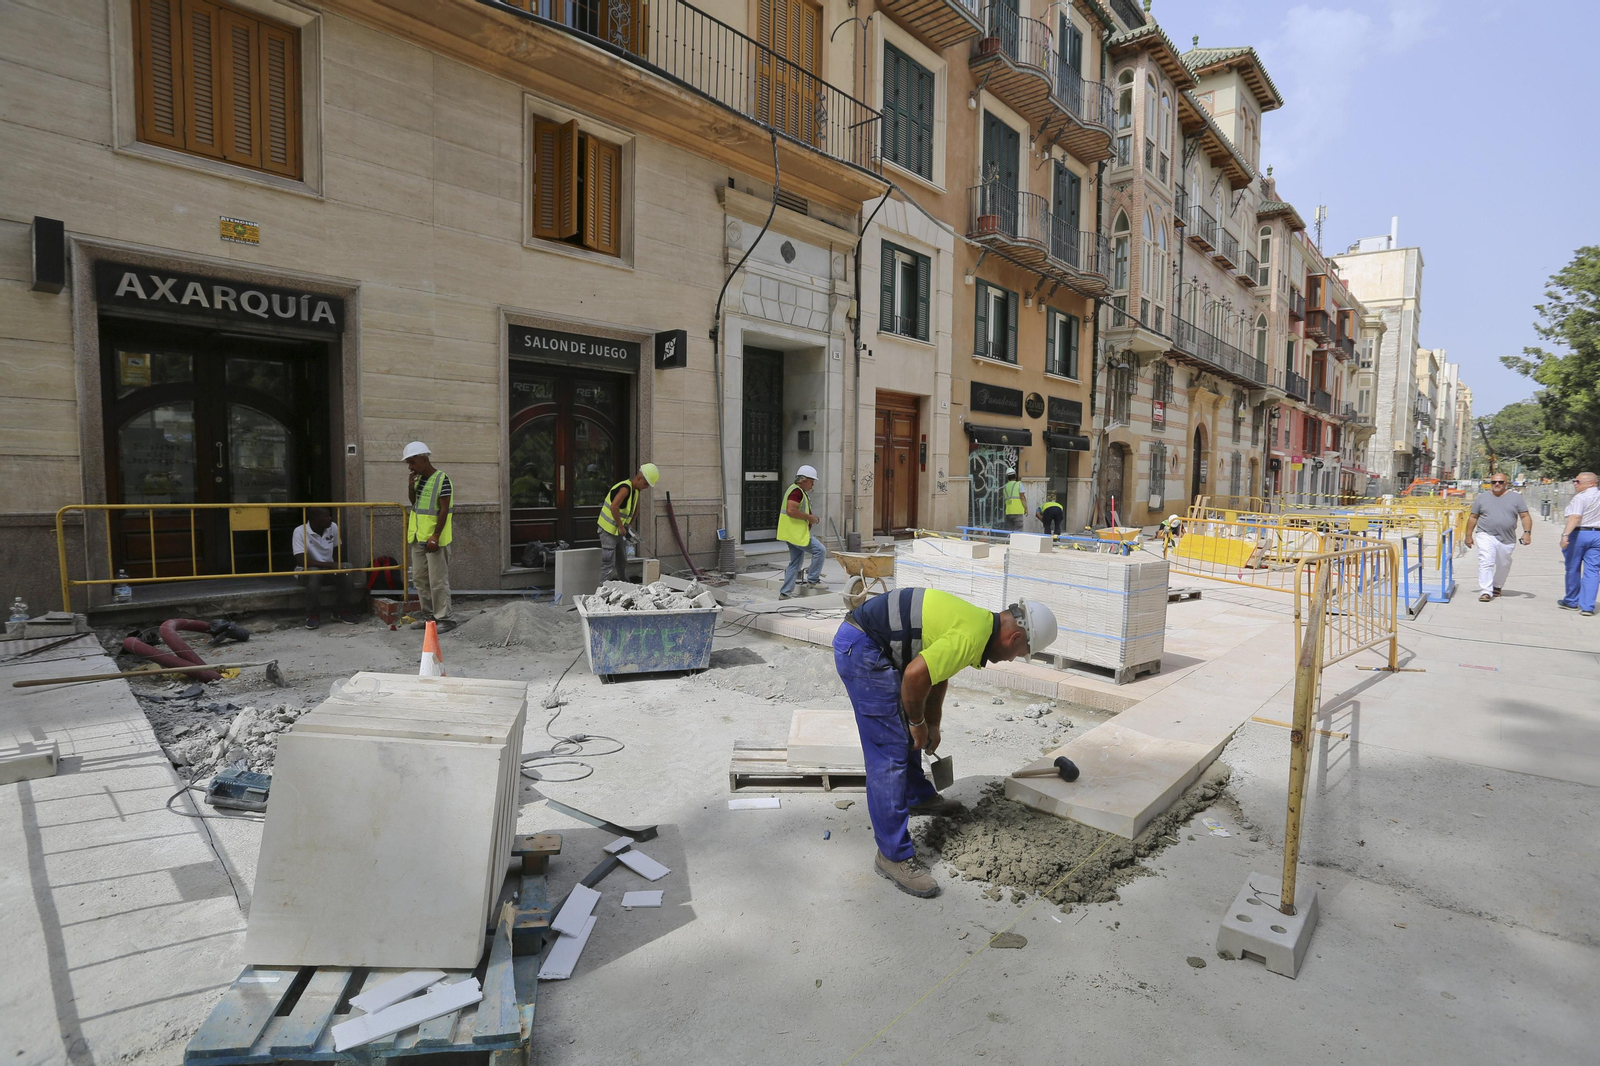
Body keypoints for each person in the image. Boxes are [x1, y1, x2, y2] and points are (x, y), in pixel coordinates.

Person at [833, 589, 1058, 898]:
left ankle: (917, 797)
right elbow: (915, 676)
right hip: (863, 648)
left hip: (875, 643)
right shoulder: (971, 636)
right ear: (1015, 637)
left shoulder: (979, 625)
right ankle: (892, 856)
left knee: (906, 731)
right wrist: (917, 723)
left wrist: (932, 722)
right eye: (1019, 654)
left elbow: (937, 671)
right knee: (889, 752)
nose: (1011, 659)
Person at [403, 441, 456, 632]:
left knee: (437, 580)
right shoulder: (419, 479)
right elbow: (415, 504)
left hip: (434, 539)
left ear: (424, 459)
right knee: (419, 579)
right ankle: (429, 618)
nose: (410, 467)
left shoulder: (442, 479)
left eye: (412, 462)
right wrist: (410, 488)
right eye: (408, 463)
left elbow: (444, 509)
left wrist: (435, 535)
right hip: (418, 537)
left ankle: (445, 619)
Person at [1464, 474, 1531, 602]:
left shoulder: (1516, 498)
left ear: (1506, 483)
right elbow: (1473, 517)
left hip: (1507, 537)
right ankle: (1486, 591)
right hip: (1485, 534)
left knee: (1503, 563)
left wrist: (1527, 532)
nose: (1497, 484)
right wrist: (1468, 536)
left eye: (1500, 482)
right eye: (1494, 482)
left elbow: (1525, 516)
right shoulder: (1482, 498)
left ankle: (1497, 586)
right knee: (1486, 561)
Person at [292, 508, 357, 630]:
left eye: (329, 515)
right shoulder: (299, 531)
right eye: (325, 516)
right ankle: (312, 614)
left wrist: (338, 566)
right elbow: (301, 561)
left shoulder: (333, 527)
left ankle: (340, 611)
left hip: (327, 570)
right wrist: (330, 565)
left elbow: (338, 552)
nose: (330, 519)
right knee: (315, 573)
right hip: (306, 571)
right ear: (314, 519)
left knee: (348, 568)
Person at [597, 463, 660, 583]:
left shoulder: (636, 490)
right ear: (639, 478)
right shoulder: (625, 488)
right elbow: (614, 507)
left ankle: (625, 586)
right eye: (646, 483)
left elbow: (636, 508)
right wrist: (621, 526)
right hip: (608, 529)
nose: (646, 487)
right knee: (608, 562)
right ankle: (601, 592)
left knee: (622, 561)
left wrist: (630, 524)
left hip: (619, 530)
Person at [778, 464, 826, 599]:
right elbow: (791, 510)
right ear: (804, 480)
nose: (812, 485)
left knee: (795, 562)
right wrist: (809, 517)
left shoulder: (797, 491)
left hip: (791, 533)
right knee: (820, 550)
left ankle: (785, 593)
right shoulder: (796, 492)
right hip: (796, 534)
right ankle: (813, 580)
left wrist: (810, 517)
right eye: (811, 482)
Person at [1557, 471, 1600, 617]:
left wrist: (1565, 535)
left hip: (1579, 534)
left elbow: (1575, 517)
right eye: (1574, 481)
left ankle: (1571, 600)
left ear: (1591, 483)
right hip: (1597, 534)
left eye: (1578, 482)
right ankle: (1588, 606)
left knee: (1572, 568)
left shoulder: (1581, 498)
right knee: (1593, 570)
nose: (1575, 484)